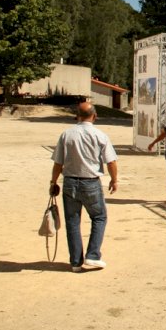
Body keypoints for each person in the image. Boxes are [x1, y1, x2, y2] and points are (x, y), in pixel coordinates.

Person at [49, 102, 118, 272]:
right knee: (99, 217)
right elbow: (111, 161)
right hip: (91, 182)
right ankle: (93, 255)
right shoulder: (100, 135)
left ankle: (75, 262)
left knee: (72, 222)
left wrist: (53, 181)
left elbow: (58, 162)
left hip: (70, 182)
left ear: (77, 116)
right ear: (94, 116)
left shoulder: (66, 135)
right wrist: (114, 180)